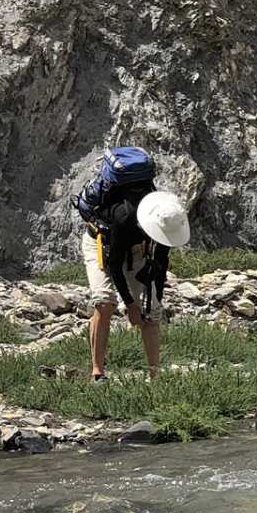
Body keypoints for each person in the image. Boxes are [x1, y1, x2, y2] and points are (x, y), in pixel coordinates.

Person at [73, 148, 191, 383]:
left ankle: (155, 376)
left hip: (137, 250)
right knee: (105, 303)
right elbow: (115, 265)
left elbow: (160, 261)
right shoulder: (124, 217)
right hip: (101, 244)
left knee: (151, 314)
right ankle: (98, 373)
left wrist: (153, 296)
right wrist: (130, 304)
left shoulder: (166, 216)